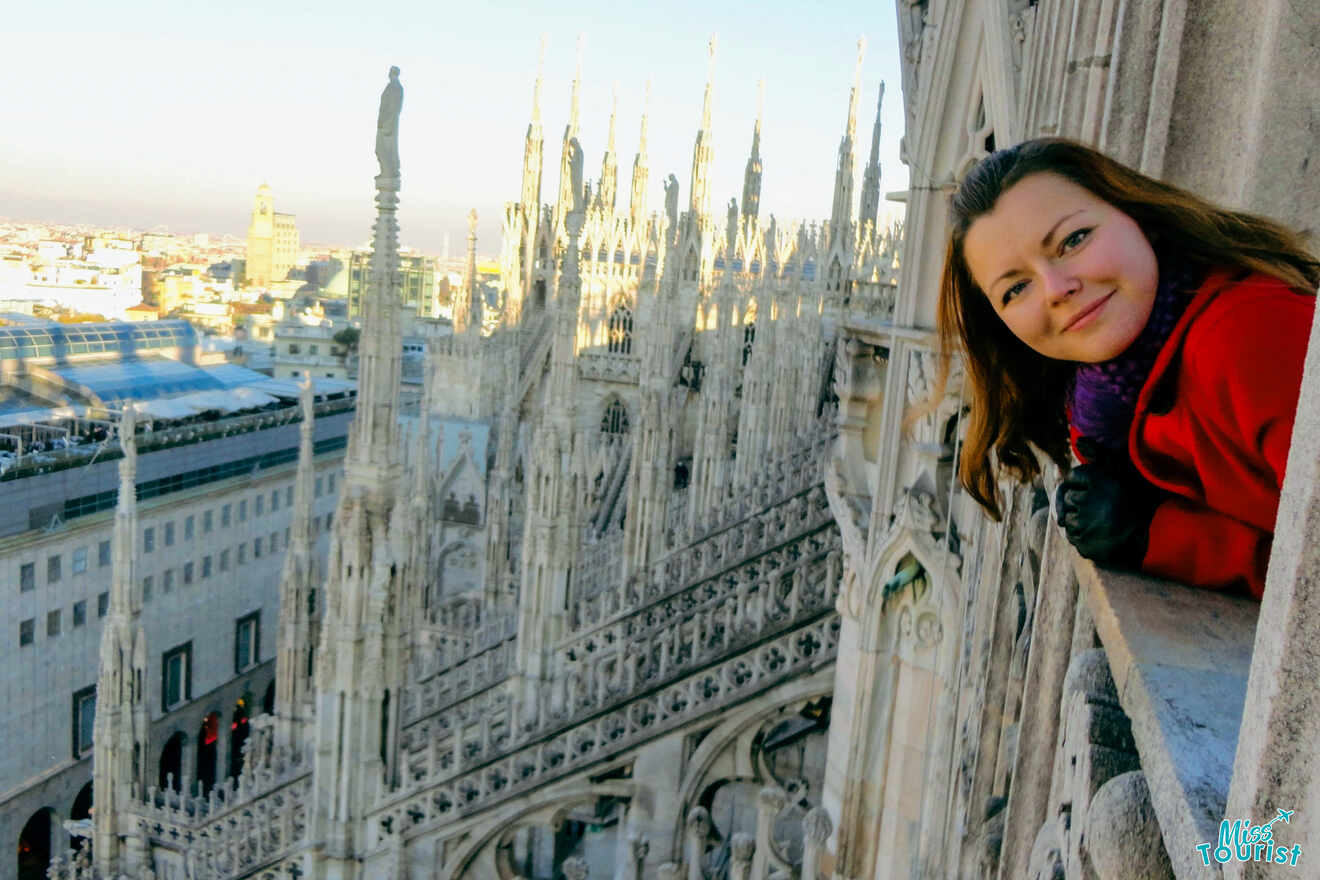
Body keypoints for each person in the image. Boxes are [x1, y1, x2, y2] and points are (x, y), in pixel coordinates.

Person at [936, 138, 1319, 598]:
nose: (1056, 288)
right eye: (1016, 289)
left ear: (1136, 217)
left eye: (1074, 240)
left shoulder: (1247, 335)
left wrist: (1159, 537)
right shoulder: (1116, 400)